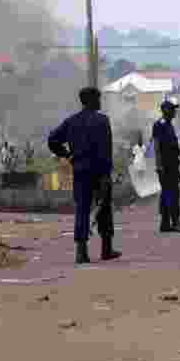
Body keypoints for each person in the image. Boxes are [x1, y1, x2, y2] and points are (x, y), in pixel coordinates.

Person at [48, 86, 121, 264]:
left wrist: (67, 155)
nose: (100, 101)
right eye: (98, 98)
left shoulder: (72, 121)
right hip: (99, 171)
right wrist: (107, 173)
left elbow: (52, 140)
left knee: (82, 209)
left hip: (80, 170)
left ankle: (81, 252)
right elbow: (105, 150)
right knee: (104, 209)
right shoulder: (102, 121)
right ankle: (106, 249)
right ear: (92, 100)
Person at [152, 97, 180, 233]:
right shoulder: (160, 124)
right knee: (172, 194)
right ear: (166, 110)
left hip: (172, 164)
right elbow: (157, 146)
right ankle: (176, 222)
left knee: (167, 194)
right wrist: (159, 165)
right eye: (173, 109)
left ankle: (165, 223)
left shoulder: (168, 124)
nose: (175, 112)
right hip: (166, 165)